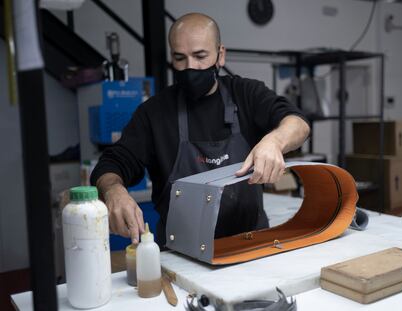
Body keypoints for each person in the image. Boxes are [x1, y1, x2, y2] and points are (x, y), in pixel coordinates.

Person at [91, 13, 310, 246]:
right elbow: (111, 164)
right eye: (179, 58)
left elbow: (298, 123)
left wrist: (275, 141)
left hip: (251, 245)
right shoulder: (154, 113)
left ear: (220, 55)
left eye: (200, 56)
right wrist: (113, 190)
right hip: (183, 254)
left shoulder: (246, 95)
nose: (190, 67)